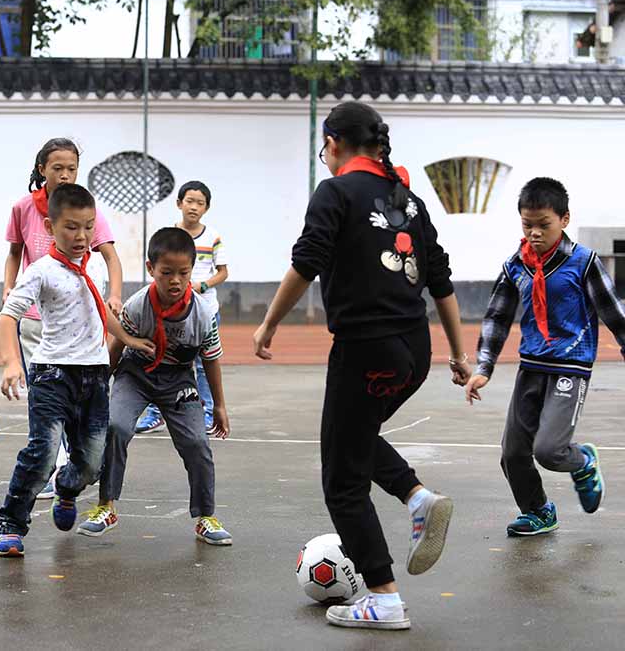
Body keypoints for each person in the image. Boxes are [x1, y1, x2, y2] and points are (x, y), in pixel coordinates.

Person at [252, 102, 471, 630]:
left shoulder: (335, 193)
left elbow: (307, 261)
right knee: (351, 438)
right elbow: (440, 282)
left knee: (342, 479)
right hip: (413, 352)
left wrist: (268, 325)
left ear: (333, 142)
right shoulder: (410, 201)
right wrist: (459, 354)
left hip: (365, 350)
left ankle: (384, 597)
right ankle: (417, 497)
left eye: (323, 147)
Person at [0, 183, 154, 558]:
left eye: (87, 226)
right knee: (43, 452)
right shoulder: (42, 271)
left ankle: (67, 490)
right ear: (50, 227)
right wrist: (11, 362)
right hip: (52, 373)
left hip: (95, 376)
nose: (81, 235)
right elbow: (8, 316)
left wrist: (127, 340)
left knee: (92, 463)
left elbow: (100, 312)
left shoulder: (94, 265)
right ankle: (12, 524)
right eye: (71, 227)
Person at [465, 177, 625, 537]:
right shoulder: (515, 266)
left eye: (543, 225)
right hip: (532, 368)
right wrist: (483, 367)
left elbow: (614, 313)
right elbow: (496, 317)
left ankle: (583, 461)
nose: (534, 233)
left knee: (550, 450)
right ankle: (538, 511)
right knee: (513, 453)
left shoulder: (584, 263)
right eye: (527, 225)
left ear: (564, 220)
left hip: (571, 367)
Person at [77, 227, 233, 545]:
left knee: (197, 444)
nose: (175, 281)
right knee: (116, 426)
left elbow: (212, 359)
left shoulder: (203, 314)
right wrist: (95, 390)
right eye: (166, 273)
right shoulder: (137, 306)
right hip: (135, 376)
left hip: (178, 381)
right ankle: (106, 506)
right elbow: (117, 347)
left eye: (183, 273)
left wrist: (219, 404)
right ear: (151, 269)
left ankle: (205, 516)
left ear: (192, 270)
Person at [3, 138, 124, 498]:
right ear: (42, 169)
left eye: (71, 168)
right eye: (58, 168)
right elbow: (14, 252)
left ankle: (73, 469)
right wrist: (9, 287)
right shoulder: (24, 208)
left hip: (78, 317)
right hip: (36, 316)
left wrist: (114, 294)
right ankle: (47, 466)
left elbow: (110, 257)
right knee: (45, 402)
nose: (65, 174)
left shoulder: (87, 210)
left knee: (84, 410)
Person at [136, 181, 228, 434]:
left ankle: (208, 412)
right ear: (179, 204)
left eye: (200, 203)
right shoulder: (167, 235)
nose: (194, 207)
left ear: (206, 208)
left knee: (201, 363)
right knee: (160, 358)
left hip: (202, 310)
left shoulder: (213, 237)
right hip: (167, 311)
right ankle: (156, 413)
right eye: (189, 201)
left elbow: (223, 272)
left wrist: (203, 286)